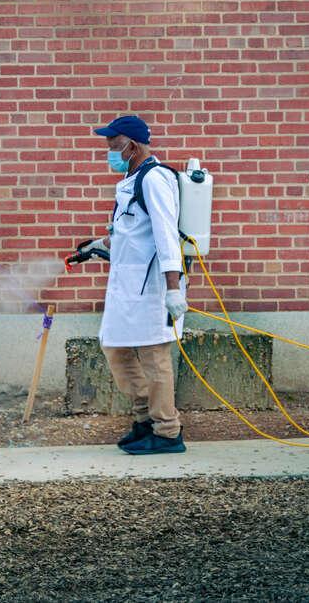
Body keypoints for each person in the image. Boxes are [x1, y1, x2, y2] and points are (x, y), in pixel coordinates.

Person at [86, 115, 188, 455]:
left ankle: (167, 430)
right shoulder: (131, 181)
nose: (109, 150)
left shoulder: (155, 179)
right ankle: (145, 419)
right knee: (114, 346)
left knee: (154, 355)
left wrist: (173, 288)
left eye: (113, 144)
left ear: (131, 145)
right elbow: (133, 234)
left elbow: (166, 235)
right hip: (126, 286)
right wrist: (102, 245)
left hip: (154, 288)